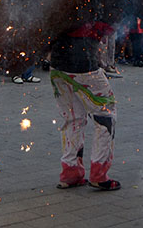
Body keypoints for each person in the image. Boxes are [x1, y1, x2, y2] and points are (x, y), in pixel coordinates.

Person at [49, 20, 120, 191]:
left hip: (57, 65)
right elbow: (106, 25)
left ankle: (70, 173)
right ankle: (99, 174)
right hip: (84, 64)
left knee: (73, 118)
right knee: (105, 115)